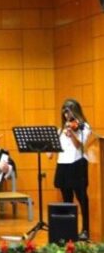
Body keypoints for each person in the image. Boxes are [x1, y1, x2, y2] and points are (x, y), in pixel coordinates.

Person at [52, 99, 91, 240]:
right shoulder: (60, 130)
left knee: (81, 197)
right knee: (66, 199)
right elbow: (50, 154)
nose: (66, 114)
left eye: (69, 111)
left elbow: (79, 146)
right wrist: (47, 147)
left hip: (77, 163)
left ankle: (85, 229)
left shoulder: (84, 127)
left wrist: (72, 133)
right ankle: (68, 230)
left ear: (76, 111)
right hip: (63, 164)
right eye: (64, 111)